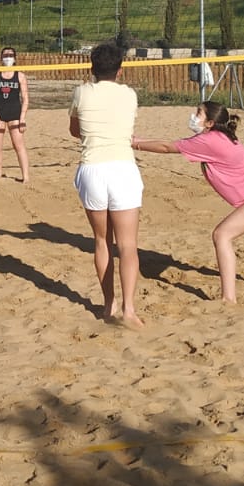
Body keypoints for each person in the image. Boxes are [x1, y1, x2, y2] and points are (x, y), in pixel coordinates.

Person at [134, 101, 244, 304]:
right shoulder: (217, 136)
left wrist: (134, 143)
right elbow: (168, 144)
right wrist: (135, 140)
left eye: (198, 113)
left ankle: (228, 298)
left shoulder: (209, 140)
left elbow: (166, 147)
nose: (194, 116)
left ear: (210, 123)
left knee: (222, 235)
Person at [69, 40, 145, 327]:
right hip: (122, 168)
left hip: (93, 169)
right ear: (120, 71)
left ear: (92, 68)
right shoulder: (129, 95)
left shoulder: (81, 92)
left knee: (102, 242)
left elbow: (75, 130)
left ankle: (108, 304)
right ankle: (129, 310)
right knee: (128, 245)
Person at [0, 46, 30, 182]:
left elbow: (25, 99)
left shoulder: (20, 75)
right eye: (5, 55)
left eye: (10, 55)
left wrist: (22, 118)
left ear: (15, 58)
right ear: (1, 58)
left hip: (15, 113)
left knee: (18, 145)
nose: (8, 57)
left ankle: (25, 176)